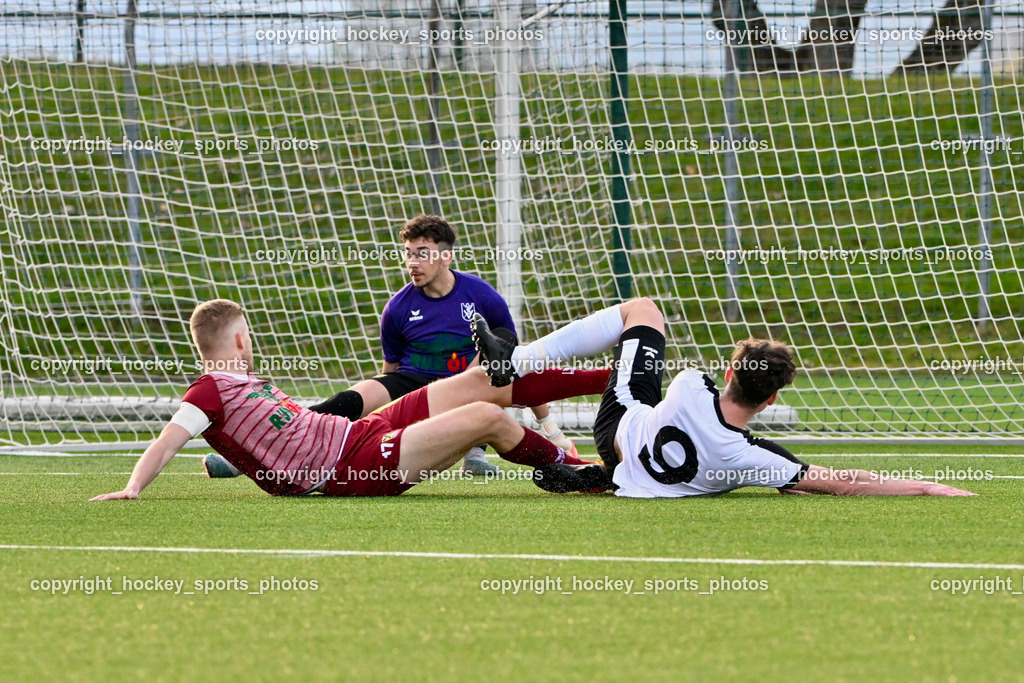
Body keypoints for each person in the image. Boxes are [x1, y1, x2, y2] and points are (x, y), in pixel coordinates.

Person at [92, 299, 607, 501]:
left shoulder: (242, 385)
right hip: (344, 469)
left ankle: (610, 378)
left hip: (357, 437)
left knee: (480, 379)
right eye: (251, 333)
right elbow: (168, 438)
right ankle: (572, 470)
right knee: (487, 416)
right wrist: (133, 487)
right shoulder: (208, 391)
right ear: (241, 340)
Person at [472, 299, 975, 497]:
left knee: (643, 311)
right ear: (774, 400)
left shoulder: (691, 382)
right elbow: (844, 485)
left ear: (730, 370)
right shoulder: (752, 457)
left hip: (618, 427)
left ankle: (515, 363)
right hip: (647, 481)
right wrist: (930, 488)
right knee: (795, 482)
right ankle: (599, 479)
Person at [203, 215, 575, 479]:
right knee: (360, 393)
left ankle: (476, 451)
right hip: (414, 382)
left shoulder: (482, 295)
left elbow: (512, 361)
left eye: (423, 253)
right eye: (409, 253)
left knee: (487, 382)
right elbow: (391, 372)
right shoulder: (398, 307)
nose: (413, 262)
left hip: (464, 385)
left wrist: (551, 427)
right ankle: (257, 453)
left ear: (446, 256)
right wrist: (391, 407)